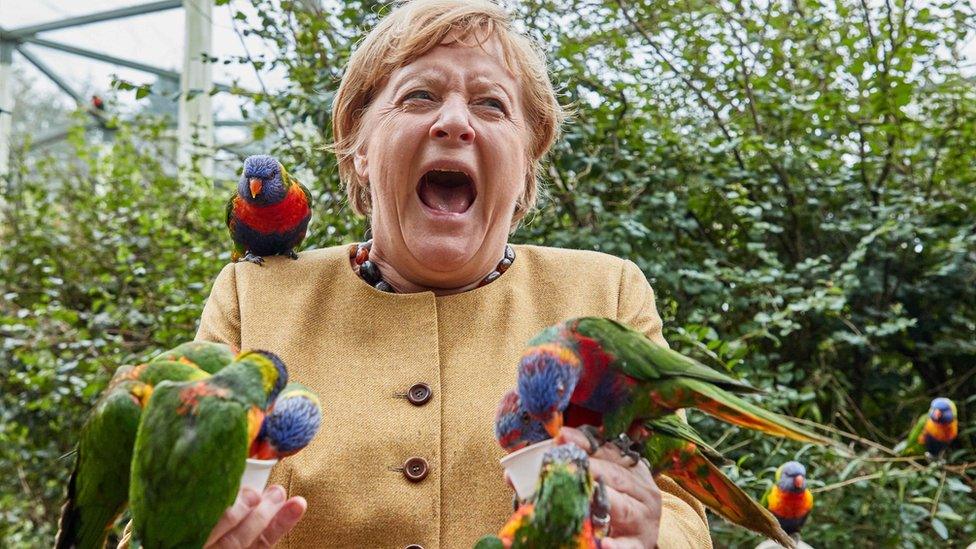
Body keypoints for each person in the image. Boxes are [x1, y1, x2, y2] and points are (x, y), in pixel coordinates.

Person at [186, 0, 712, 547]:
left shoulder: (606, 293)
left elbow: (681, 507)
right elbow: (161, 501)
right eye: (419, 96)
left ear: (526, 161)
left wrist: (651, 536)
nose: (455, 122)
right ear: (361, 147)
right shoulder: (254, 296)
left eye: (490, 104)